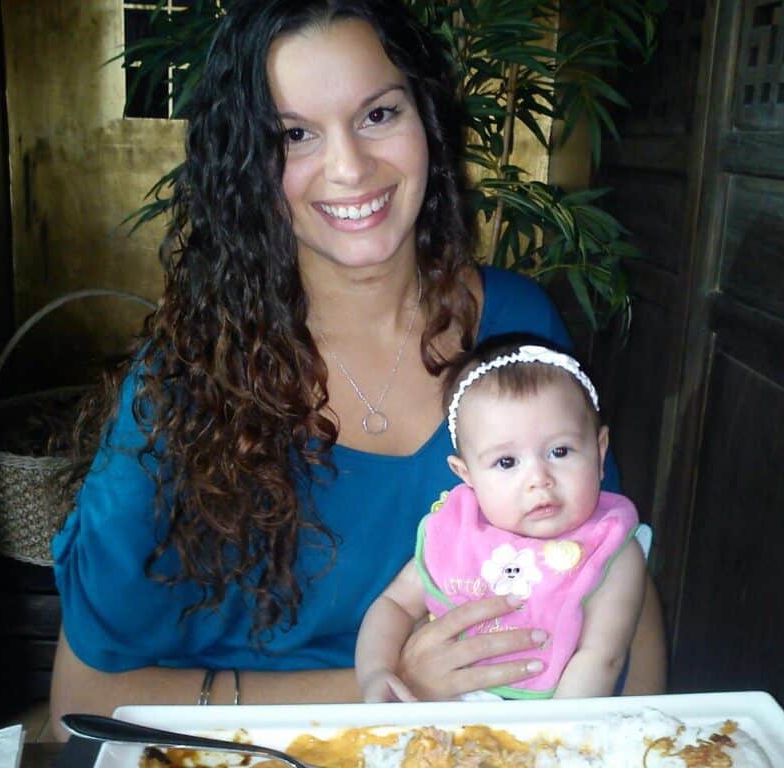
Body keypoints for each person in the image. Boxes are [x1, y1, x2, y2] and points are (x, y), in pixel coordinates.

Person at [49, 0, 665, 735]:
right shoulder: (182, 381)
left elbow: (613, 571)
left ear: (428, 122)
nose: (349, 167)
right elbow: (81, 700)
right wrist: (390, 686)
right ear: (247, 165)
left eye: (378, 115)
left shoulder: (520, 327)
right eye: (295, 135)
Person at [356, 339, 646, 701]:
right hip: (437, 715)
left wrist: (551, 743)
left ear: (599, 452)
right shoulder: (457, 534)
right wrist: (376, 672)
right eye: (506, 462)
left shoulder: (609, 550)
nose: (539, 478)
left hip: (552, 720)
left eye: (560, 451)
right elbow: (394, 605)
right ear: (467, 475)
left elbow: (601, 658)